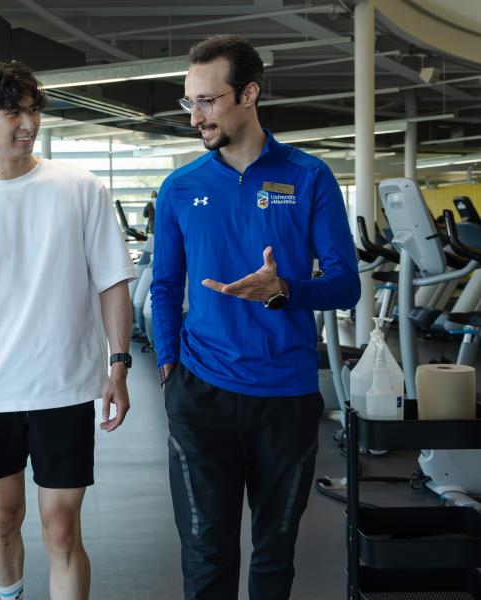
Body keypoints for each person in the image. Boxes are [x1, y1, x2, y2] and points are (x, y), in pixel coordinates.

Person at [0, 61, 136, 600]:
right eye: (12, 110)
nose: (28, 122)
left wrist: (120, 363)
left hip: (63, 387)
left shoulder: (80, 187)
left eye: (33, 109)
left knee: (62, 527)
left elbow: (112, 283)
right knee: (3, 517)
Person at [150, 34, 360, 599]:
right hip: (201, 396)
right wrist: (169, 371)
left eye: (207, 101)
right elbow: (164, 288)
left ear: (248, 94)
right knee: (205, 554)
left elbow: (346, 286)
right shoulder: (180, 188)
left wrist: (285, 289)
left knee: (273, 558)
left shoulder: (309, 177)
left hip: (286, 398)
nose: (196, 116)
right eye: (188, 102)